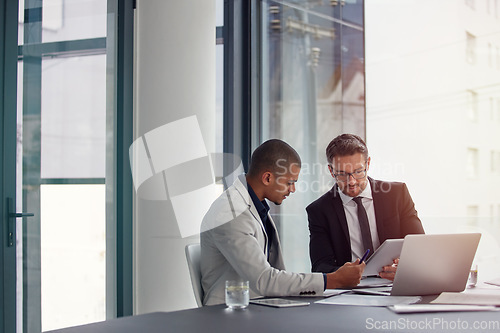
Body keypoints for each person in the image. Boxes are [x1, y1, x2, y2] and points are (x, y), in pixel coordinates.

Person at [200, 139, 365, 306]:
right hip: (229, 314)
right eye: (289, 182)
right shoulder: (231, 212)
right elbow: (264, 280)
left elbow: (274, 274)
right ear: (267, 178)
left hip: (259, 305)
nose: (292, 189)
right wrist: (332, 280)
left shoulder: (255, 206)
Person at [307, 134, 424, 280]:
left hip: (396, 284)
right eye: (342, 174)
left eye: (358, 172)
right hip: (351, 291)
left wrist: (405, 268)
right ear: (331, 171)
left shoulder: (397, 194)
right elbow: (320, 266)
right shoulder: (319, 211)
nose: (352, 181)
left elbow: (420, 248)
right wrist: (343, 274)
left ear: (368, 164)